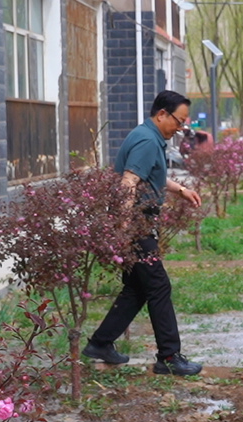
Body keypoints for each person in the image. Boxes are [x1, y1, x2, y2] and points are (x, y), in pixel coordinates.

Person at [84, 90, 204, 376]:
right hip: (136, 225)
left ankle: (100, 343)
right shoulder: (148, 141)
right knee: (159, 286)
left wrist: (181, 190)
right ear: (161, 114)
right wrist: (125, 229)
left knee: (138, 288)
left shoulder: (149, 137)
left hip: (138, 224)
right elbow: (128, 182)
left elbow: (151, 176)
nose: (180, 128)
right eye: (178, 121)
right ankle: (169, 357)